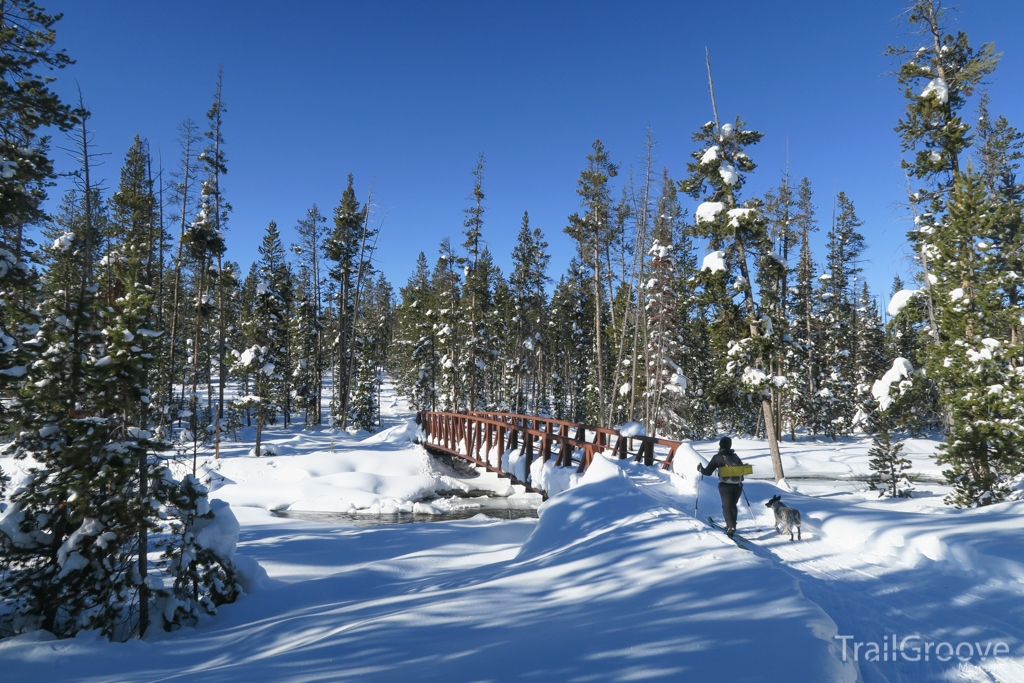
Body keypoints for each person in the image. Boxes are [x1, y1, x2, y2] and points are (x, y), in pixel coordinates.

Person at [697, 436, 745, 538]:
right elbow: (743, 471)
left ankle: (731, 527)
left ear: (720, 445)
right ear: (730, 445)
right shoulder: (735, 456)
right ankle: (731, 526)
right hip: (738, 485)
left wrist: (700, 469)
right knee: (732, 505)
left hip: (725, 486)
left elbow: (708, 472)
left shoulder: (718, 457)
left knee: (726, 506)